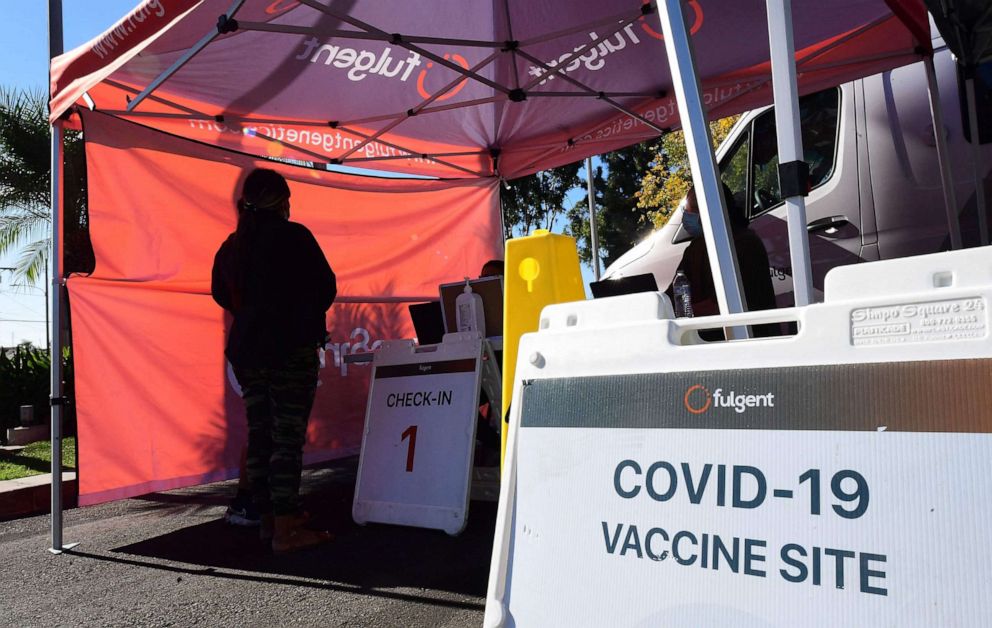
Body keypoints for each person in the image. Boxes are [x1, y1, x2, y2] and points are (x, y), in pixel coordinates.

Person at [211, 168, 337, 553]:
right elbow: (325, 288)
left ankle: (270, 519)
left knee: (262, 435)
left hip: (248, 353)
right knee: (287, 439)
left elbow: (220, 294)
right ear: (282, 201)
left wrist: (252, 315)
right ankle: (285, 528)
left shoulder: (232, 246)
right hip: (290, 350)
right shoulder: (295, 237)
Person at [675, 185, 778, 337]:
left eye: (690, 210)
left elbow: (728, 305)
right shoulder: (697, 247)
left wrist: (684, 312)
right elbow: (676, 291)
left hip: (745, 338)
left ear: (707, 212)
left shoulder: (743, 244)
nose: (686, 216)